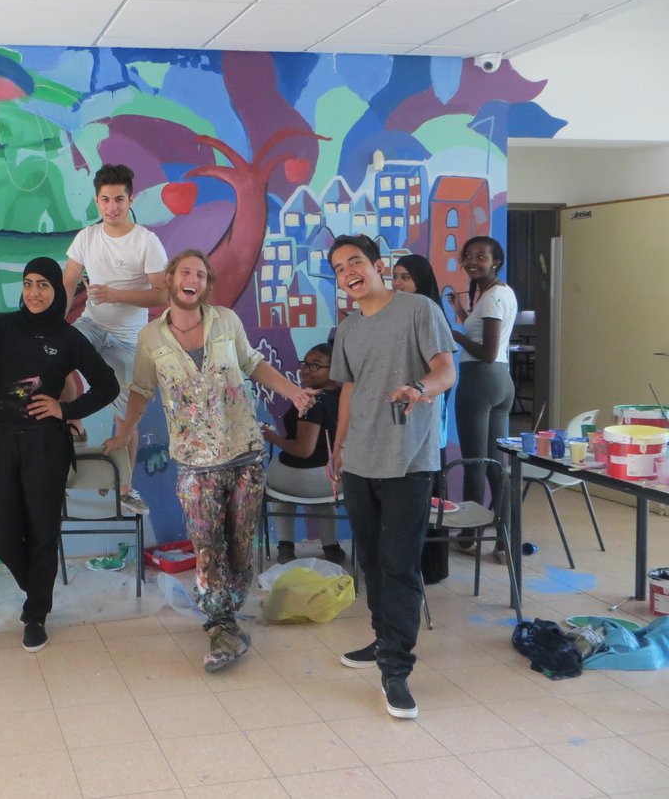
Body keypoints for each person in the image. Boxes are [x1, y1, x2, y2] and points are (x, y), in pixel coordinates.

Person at [105, 249, 315, 672]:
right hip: (194, 459)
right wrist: (125, 433)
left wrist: (293, 391)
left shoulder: (226, 321)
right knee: (207, 545)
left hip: (244, 450)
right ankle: (221, 623)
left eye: (201, 275)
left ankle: (230, 614)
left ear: (206, 285)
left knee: (240, 543)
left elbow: (252, 363)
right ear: (170, 279)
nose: (193, 279)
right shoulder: (151, 338)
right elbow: (142, 389)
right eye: (186, 272)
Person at [327, 234, 456, 720]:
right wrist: (338, 447)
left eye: (355, 262)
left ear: (377, 265)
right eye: (339, 268)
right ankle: (384, 640)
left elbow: (446, 370)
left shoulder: (419, 309)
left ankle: (396, 670)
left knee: (400, 564)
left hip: (408, 458)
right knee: (373, 560)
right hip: (359, 459)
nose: (348, 273)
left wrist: (419, 388)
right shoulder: (348, 329)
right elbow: (349, 391)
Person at [0, 257, 119, 652]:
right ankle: (37, 588)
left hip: (46, 444)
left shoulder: (68, 337)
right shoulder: (0, 329)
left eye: (43, 284)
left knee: (43, 532)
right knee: (1, 535)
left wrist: (66, 410)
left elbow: (107, 385)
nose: (34, 292)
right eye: (28, 283)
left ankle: (36, 614)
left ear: (57, 290)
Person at [64, 164, 168, 513]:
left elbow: (161, 294)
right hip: (92, 325)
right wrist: (54, 325)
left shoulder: (146, 241)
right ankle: (74, 424)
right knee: (56, 354)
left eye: (119, 200)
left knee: (126, 419)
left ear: (130, 200)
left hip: (128, 339)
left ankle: (125, 486)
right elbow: (68, 282)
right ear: (97, 201)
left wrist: (116, 295)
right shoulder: (86, 237)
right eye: (106, 200)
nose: (112, 207)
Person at [447, 236, 517, 559]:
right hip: (502, 382)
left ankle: (468, 536)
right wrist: (460, 313)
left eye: (481, 256)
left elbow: (486, 351)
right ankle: (505, 539)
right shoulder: (501, 293)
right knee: (495, 464)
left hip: (479, 381)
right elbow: (490, 339)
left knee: (475, 463)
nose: (472, 261)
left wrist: (455, 335)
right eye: (467, 256)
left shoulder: (491, 298)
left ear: (496, 261)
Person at [393, 253, 453, 584]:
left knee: (427, 492)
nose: (398, 284)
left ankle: (430, 567)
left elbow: (442, 373)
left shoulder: (429, 313)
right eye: (395, 277)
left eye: (406, 277)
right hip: (405, 416)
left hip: (426, 414)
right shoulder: (396, 314)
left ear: (422, 281)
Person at [262, 342, 344, 565]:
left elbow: (303, 450)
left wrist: (272, 437)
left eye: (315, 366)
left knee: (280, 491)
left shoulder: (312, 401)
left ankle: (285, 546)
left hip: (301, 481)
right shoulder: (345, 396)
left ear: (335, 368)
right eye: (305, 364)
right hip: (334, 482)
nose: (306, 370)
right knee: (325, 500)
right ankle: (331, 547)